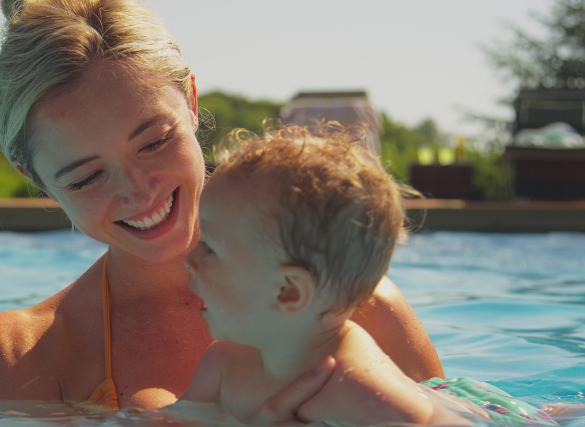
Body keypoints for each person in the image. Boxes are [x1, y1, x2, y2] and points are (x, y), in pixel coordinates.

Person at [0, 0, 444, 413]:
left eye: (154, 142)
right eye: (86, 177)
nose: (138, 192)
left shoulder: (345, 299)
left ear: (191, 101)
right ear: (34, 177)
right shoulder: (22, 354)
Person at [177, 124, 558, 426]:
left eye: (211, 247)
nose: (190, 258)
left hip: (477, 411)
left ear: (289, 293)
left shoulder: (362, 393)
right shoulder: (224, 362)